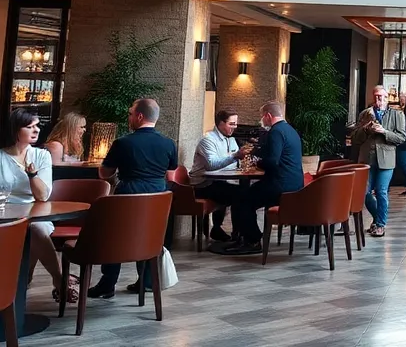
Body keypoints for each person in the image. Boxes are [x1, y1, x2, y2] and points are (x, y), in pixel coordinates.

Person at [90, 98, 177, 298]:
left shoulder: (123, 143)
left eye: (130, 113)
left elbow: (104, 174)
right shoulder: (169, 144)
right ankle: (145, 282)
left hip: (128, 195)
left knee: (114, 237)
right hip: (158, 197)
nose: (129, 117)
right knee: (148, 236)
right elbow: (171, 176)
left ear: (139, 116)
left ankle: (107, 284)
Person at [2, 109, 71, 301]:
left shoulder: (42, 156)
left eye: (37, 126)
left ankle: (58, 279)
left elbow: (42, 196)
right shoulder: (1, 157)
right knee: (27, 230)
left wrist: (32, 175)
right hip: (5, 214)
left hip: (35, 210)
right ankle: (25, 279)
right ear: (16, 130)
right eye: (30, 126)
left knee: (36, 227)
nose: (36, 130)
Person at [227, 101, 304, 256]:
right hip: (295, 184)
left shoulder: (276, 132)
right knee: (245, 197)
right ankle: (245, 237)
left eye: (262, 116)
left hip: (280, 184)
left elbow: (272, 161)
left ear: (268, 116)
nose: (262, 120)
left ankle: (252, 240)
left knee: (241, 200)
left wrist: (257, 162)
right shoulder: (290, 130)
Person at [189, 109, 252, 243]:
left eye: (236, 124)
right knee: (239, 195)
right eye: (231, 124)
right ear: (220, 123)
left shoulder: (232, 140)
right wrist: (235, 156)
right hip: (202, 184)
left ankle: (225, 230)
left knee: (242, 192)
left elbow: (232, 163)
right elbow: (211, 164)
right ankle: (238, 235)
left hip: (217, 181)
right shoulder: (207, 140)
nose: (234, 127)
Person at [353, 85, 406, 238]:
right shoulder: (365, 114)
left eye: (382, 96)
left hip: (386, 159)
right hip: (367, 160)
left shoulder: (397, 115)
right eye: (377, 96)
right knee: (364, 192)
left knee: (382, 191)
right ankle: (378, 219)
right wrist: (366, 130)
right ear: (373, 97)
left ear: (387, 98)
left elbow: (401, 138)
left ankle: (380, 225)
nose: (380, 99)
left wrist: (384, 132)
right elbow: (355, 138)